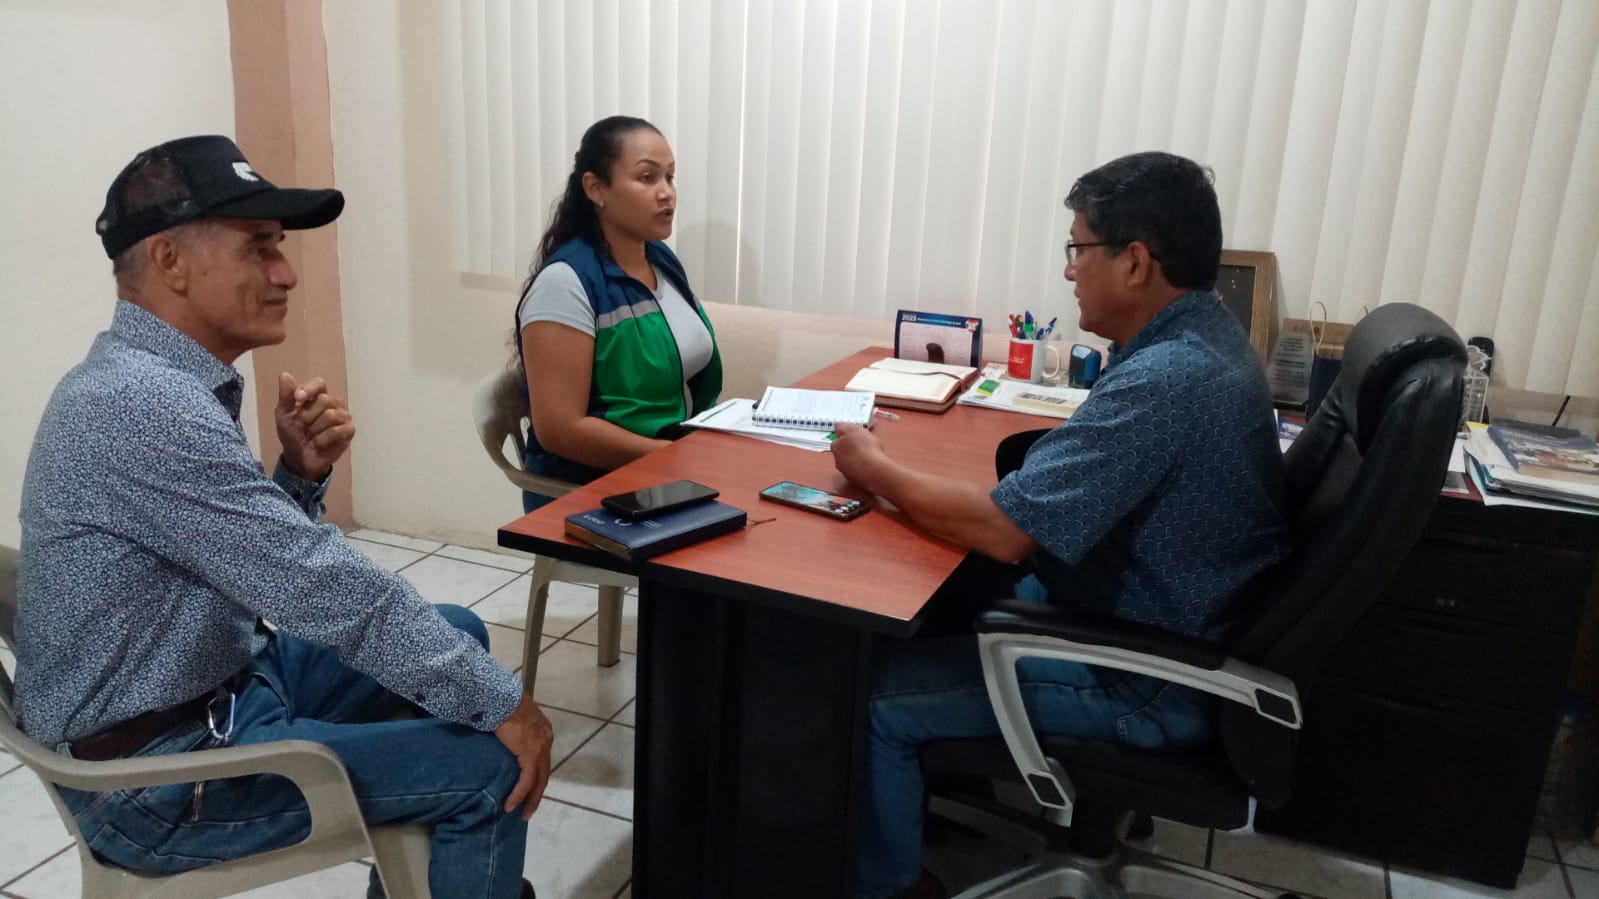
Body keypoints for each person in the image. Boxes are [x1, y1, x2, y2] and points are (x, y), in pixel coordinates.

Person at [15, 136, 552, 899]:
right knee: (491, 765)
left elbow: (242, 566)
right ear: (169, 260)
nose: (286, 272)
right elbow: (323, 588)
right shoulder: (142, 405)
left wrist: (296, 473)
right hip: (155, 778)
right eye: (260, 247)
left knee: (456, 632)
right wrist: (508, 705)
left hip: (216, 686)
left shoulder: (152, 381)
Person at [830, 152, 1289, 899]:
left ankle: (892, 887)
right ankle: (930, 795)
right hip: (1162, 623)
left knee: (870, 695)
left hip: (1144, 680)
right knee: (938, 601)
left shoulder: (1169, 379)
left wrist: (873, 466)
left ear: (1134, 261)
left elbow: (1005, 530)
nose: (1069, 270)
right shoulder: (1204, 338)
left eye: (1078, 249)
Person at [514, 115, 722, 510]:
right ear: (595, 188)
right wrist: (674, 458)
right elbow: (560, 430)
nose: (667, 193)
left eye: (670, 177)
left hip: (667, 463)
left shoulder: (659, 258)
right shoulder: (565, 284)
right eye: (647, 178)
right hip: (592, 489)